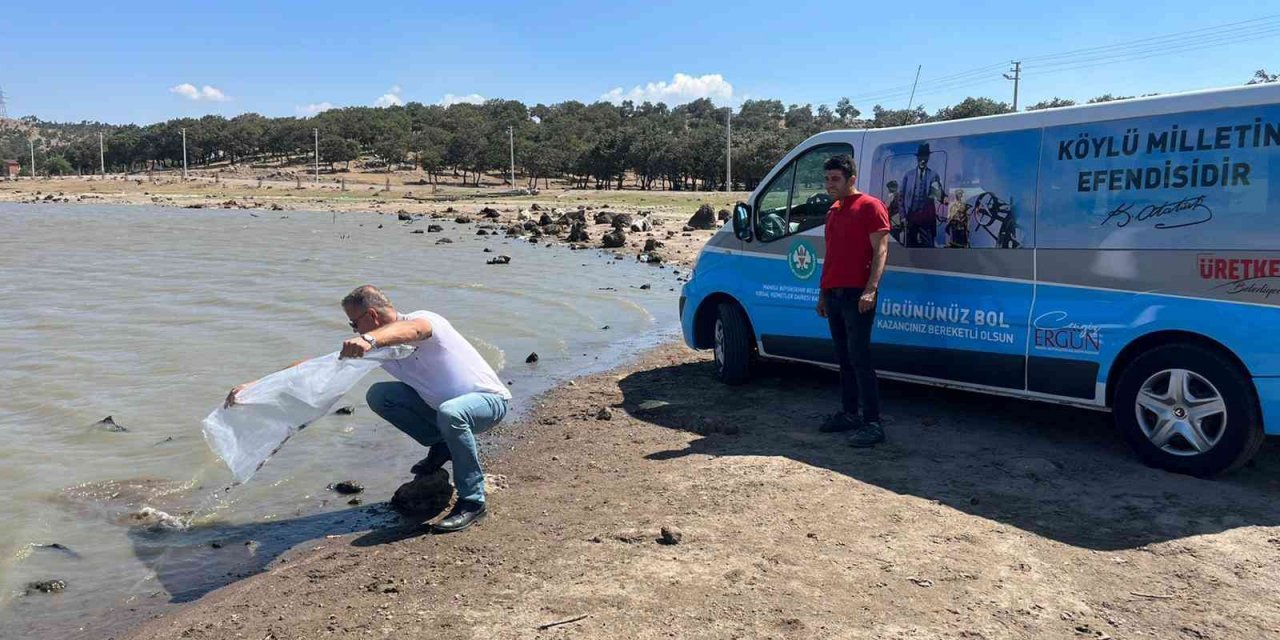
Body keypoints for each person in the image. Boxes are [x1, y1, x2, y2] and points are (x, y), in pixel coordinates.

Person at [225, 285, 511, 533]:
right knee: (380, 395)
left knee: (451, 412)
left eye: (353, 324)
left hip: (488, 402)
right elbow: (313, 367)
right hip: (445, 410)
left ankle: (472, 501)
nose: (354, 330)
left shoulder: (422, 321)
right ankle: (443, 444)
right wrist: (257, 386)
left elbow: (414, 330)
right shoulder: (377, 347)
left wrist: (368, 339)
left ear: (372, 316)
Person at [815, 155, 891, 447]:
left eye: (835, 179)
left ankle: (873, 422)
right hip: (833, 294)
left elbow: (881, 251)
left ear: (852, 179)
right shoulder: (833, 211)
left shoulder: (870, 206)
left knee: (860, 358)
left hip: (858, 294)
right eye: (827, 179)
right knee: (843, 357)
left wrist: (871, 289)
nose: (829, 184)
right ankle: (849, 413)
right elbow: (831, 256)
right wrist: (822, 293)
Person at [899, 143, 944, 248]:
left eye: (925, 157)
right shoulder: (908, 175)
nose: (923, 160)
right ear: (917, 158)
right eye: (921, 157)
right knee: (909, 249)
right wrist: (902, 217)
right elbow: (901, 198)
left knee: (929, 250)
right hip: (910, 219)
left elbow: (938, 195)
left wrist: (943, 197)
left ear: (928, 158)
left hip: (927, 220)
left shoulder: (933, 175)